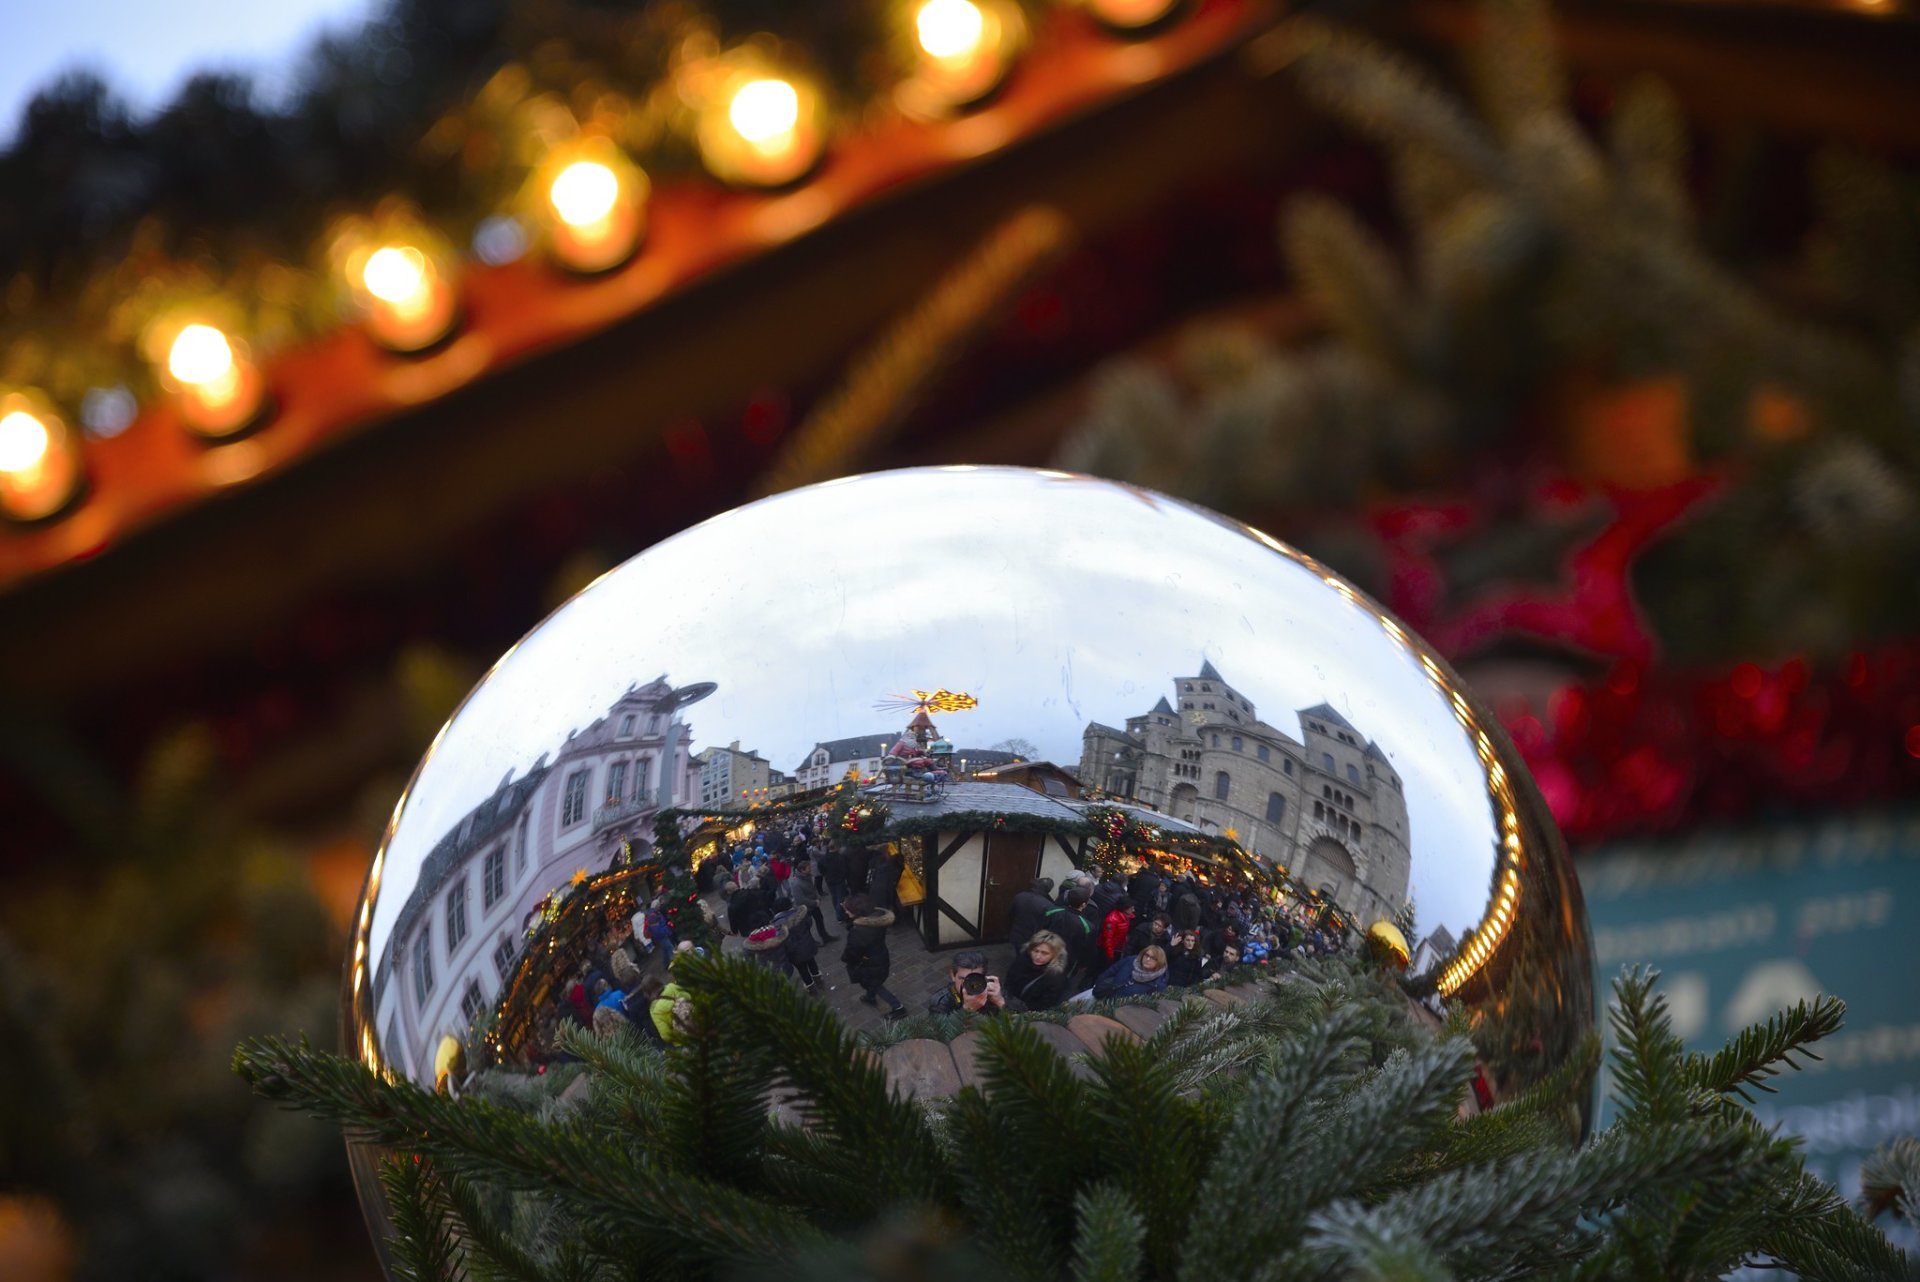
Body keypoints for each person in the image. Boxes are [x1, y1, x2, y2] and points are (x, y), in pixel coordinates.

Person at [839, 894, 907, 1020]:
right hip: (879, 956)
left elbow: (852, 952)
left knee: (875, 985)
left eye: (848, 910)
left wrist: (845, 958)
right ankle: (870, 997)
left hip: (869, 964)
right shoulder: (876, 919)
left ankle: (898, 1007)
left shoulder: (859, 932)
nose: (846, 912)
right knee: (871, 983)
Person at [1004, 931, 1072, 1011]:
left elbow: (1045, 1005)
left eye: (1045, 953)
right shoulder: (1022, 960)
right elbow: (1009, 982)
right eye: (1036, 951)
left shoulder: (1056, 978)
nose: (1038, 956)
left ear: (1055, 955)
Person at [928, 949, 1004, 1016]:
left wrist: (1000, 1002)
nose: (967, 985)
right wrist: (967, 1012)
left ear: (983, 977)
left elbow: (1014, 1024)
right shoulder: (941, 1002)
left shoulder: (993, 992)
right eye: (962, 979)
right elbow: (938, 1031)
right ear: (952, 975)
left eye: (973, 979)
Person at [1005, 877, 1055, 968]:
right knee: (1030, 959)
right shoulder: (1049, 905)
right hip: (1033, 937)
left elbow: (1010, 913)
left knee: (1020, 954)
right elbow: (1047, 925)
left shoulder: (1020, 896)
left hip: (1017, 933)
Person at [1091, 944, 1169, 1000]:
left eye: (1153, 958)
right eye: (1146, 955)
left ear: (1159, 962)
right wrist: (1098, 984)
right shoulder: (1131, 961)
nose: (1148, 959)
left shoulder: (1158, 984)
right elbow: (1109, 972)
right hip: (1104, 998)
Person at [786, 858, 837, 943]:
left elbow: (813, 889)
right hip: (805, 908)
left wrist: (817, 897)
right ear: (802, 870)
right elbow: (800, 899)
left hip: (813, 905)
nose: (811, 869)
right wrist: (814, 902)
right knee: (807, 926)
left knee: (819, 920)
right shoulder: (796, 884)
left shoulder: (807, 877)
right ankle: (811, 942)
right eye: (808, 868)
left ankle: (825, 937)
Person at [1099, 896, 1136, 964]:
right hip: (1108, 950)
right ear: (1125, 908)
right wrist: (1110, 955)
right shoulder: (1112, 920)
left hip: (1118, 947)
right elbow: (1108, 939)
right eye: (1131, 908)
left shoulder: (1127, 917)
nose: (1133, 910)